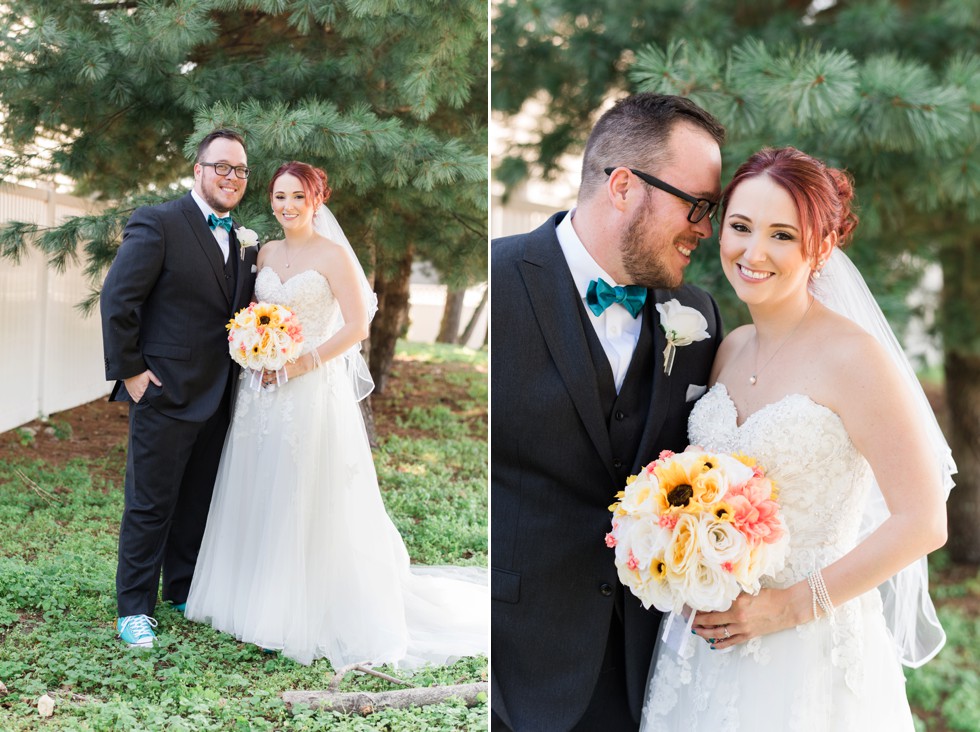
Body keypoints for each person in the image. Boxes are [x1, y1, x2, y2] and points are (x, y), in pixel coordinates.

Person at [640, 147, 954, 730]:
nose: (753, 253)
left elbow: (924, 521)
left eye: (782, 235)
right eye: (740, 227)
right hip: (705, 646)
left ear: (822, 247)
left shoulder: (855, 358)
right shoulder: (729, 348)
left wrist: (788, 607)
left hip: (807, 647)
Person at [184, 161, 488, 668]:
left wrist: (303, 362)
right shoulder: (264, 253)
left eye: (297, 197)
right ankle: (247, 600)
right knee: (258, 485)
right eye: (279, 197)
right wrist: (254, 350)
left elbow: (357, 326)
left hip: (309, 388)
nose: (287, 206)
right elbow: (249, 315)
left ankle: (291, 611)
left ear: (316, 200)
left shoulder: (333, 256)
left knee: (300, 493)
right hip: (260, 390)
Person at [491, 93, 727, 731]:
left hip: (645, 667)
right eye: (697, 204)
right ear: (624, 186)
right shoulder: (501, 277)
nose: (706, 228)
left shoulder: (700, 316)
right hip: (510, 658)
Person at [100, 129, 257, 649]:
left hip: (219, 395)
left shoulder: (241, 239)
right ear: (198, 169)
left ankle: (182, 590)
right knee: (150, 504)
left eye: (240, 170)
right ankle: (133, 609)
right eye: (222, 167)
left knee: (196, 501)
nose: (231, 177)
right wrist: (132, 375)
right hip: (163, 392)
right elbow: (119, 301)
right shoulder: (159, 222)